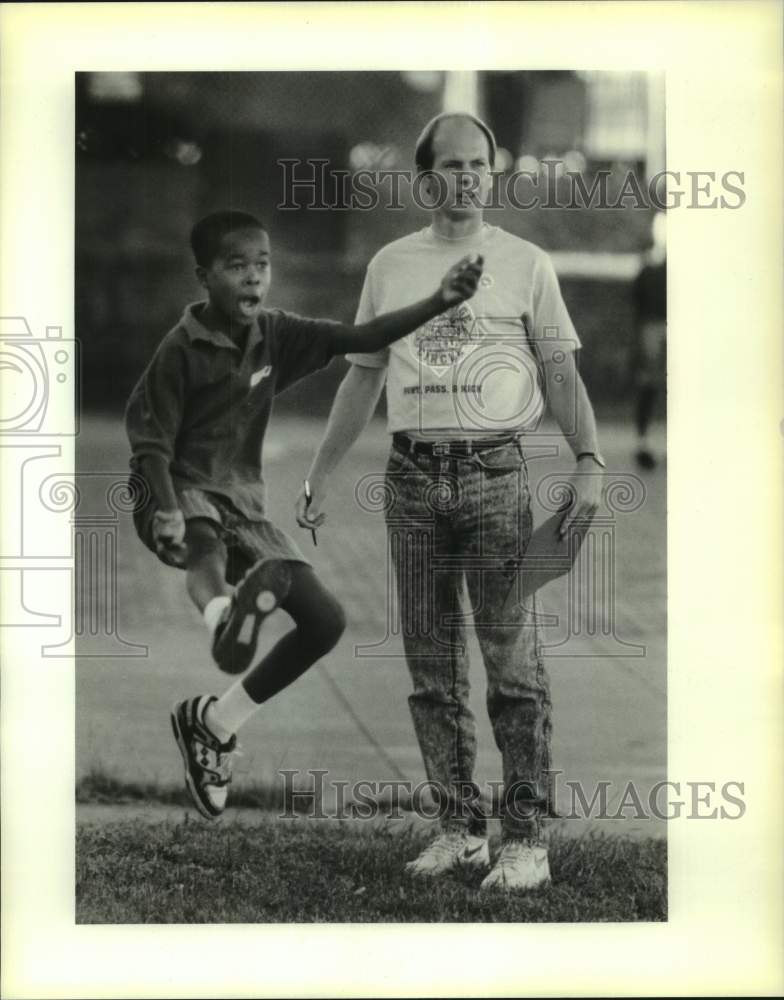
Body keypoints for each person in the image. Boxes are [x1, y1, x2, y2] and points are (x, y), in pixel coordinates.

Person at [296, 113, 604, 892]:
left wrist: (590, 461)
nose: (465, 178)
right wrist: (322, 474)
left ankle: (526, 841)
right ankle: (460, 830)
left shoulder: (526, 264)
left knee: (512, 668)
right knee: (431, 670)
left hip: (497, 478)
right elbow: (362, 375)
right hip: (411, 482)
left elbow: (560, 372)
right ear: (426, 178)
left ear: (491, 174)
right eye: (450, 167)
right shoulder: (392, 266)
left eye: (478, 165)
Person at [124, 209, 483, 820]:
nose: (252, 278)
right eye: (236, 266)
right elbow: (151, 441)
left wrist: (439, 300)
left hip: (243, 501)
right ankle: (221, 618)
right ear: (203, 276)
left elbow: (363, 339)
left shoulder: (276, 334)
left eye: (262, 265)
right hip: (172, 488)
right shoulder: (180, 349)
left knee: (325, 621)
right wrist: (165, 513)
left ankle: (214, 724)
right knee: (204, 537)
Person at [631, 210, 666, 469]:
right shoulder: (647, 264)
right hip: (651, 329)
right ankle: (644, 442)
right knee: (649, 384)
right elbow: (638, 300)